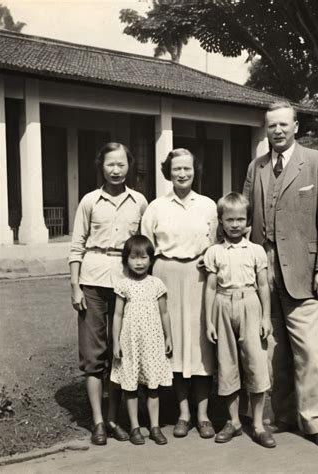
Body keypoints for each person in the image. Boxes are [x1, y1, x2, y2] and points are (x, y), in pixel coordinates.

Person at [243, 101, 318, 449]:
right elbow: (245, 215)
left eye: (284, 124)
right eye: (272, 126)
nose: (278, 131)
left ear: (296, 126)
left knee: (308, 349)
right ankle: (284, 414)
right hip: (263, 270)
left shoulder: (317, 162)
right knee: (275, 348)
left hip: (303, 271)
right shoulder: (257, 166)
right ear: (266, 129)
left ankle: (315, 422)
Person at [69, 142, 148, 445]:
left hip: (126, 284)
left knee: (120, 352)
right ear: (101, 166)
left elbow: (144, 246)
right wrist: (75, 286)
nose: (116, 170)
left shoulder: (139, 202)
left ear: (130, 166)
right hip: (92, 281)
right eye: (110, 164)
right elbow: (76, 246)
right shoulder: (90, 201)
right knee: (93, 354)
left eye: (121, 164)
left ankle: (114, 419)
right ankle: (98, 422)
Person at [141, 148, 218, 439]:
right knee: (173, 345)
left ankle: (204, 414)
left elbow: (216, 244)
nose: (182, 174)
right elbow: (145, 248)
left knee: (200, 346)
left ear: (195, 171)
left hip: (199, 278)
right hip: (166, 277)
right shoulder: (156, 207)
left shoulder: (208, 205)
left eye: (187, 168)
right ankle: (183, 413)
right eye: (176, 169)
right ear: (168, 173)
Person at [204, 192, 276, 449]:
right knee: (227, 364)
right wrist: (209, 322)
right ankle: (233, 421)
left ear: (248, 222)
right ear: (221, 221)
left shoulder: (256, 251)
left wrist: (265, 317)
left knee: (256, 364)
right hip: (223, 304)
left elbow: (264, 285)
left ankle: (257, 424)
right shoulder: (214, 252)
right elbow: (210, 288)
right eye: (229, 219)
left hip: (250, 304)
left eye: (240, 219)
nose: (235, 224)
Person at [111, 235, 173, 446]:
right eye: (133, 258)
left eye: (144, 257)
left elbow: (164, 313)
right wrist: (116, 341)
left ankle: (154, 427)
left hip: (152, 341)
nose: (139, 263)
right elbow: (117, 315)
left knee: (152, 386)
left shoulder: (156, 284)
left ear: (151, 259)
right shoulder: (123, 285)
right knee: (130, 386)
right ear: (126, 260)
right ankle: (135, 427)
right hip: (130, 342)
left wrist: (168, 336)